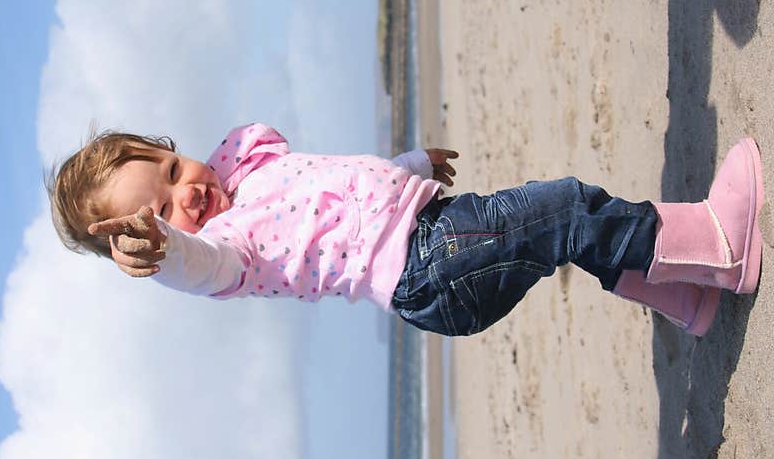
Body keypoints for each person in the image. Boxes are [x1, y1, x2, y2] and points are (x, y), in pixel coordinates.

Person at [47, 123, 765, 337]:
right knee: (569, 209)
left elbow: (341, 196)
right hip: (430, 262)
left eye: (172, 170)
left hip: (431, 243)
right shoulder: (226, 250)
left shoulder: (249, 175)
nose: (187, 195)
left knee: (558, 236)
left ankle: (687, 294)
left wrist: (412, 162)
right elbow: (203, 264)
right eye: (163, 212)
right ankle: (721, 247)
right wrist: (165, 253)